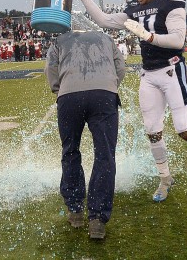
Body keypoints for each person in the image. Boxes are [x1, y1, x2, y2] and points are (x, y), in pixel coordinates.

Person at [75, 0, 187, 203]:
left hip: (172, 70)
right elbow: (103, 20)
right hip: (149, 74)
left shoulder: (170, 2)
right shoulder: (134, 9)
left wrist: (148, 36)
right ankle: (165, 178)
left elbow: (177, 40)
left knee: (185, 130)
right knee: (152, 132)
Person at [45, 30, 126, 240]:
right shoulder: (106, 38)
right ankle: (97, 218)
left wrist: (60, 90)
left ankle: (75, 210)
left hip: (69, 97)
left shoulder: (59, 39)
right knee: (105, 154)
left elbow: (51, 69)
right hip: (104, 95)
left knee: (70, 151)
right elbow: (120, 66)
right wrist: (109, 87)